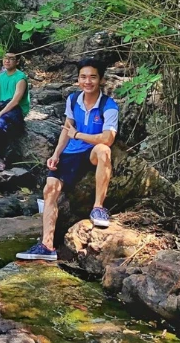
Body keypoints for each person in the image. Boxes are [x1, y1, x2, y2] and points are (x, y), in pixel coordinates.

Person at [17, 58, 118, 261]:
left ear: (101, 80)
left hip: (90, 153)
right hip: (70, 154)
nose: (87, 81)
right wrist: (55, 155)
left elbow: (107, 139)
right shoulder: (73, 100)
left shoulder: (109, 105)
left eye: (92, 77)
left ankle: (98, 208)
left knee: (103, 150)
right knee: (50, 188)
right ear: (78, 79)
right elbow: (66, 129)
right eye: (83, 77)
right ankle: (47, 246)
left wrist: (78, 135)